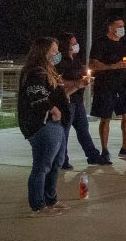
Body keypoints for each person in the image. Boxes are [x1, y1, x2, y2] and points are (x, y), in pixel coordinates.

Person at [17, 37, 87, 214]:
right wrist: (53, 110)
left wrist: (77, 86)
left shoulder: (50, 71)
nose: (58, 54)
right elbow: (37, 96)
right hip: (43, 125)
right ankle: (38, 205)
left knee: (57, 163)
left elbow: (58, 95)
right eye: (54, 50)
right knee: (42, 166)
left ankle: (51, 199)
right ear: (44, 51)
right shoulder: (36, 72)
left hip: (57, 124)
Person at [89, 16, 126, 159]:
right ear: (111, 28)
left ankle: (125, 148)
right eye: (119, 26)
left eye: (123, 26)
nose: (122, 29)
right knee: (106, 117)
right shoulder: (100, 43)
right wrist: (113, 66)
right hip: (106, 85)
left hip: (124, 85)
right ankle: (105, 150)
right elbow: (93, 64)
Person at [57, 32, 107, 168]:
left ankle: (93, 156)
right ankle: (62, 160)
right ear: (66, 45)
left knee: (83, 129)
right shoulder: (61, 61)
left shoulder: (76, 59)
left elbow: (81, 74)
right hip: (67, 100)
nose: (76, 45)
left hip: (78, 100)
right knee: (64, 132)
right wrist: (77, 82)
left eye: (76, 42)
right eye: (73, 43)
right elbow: (58, 81)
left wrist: (86, 77)